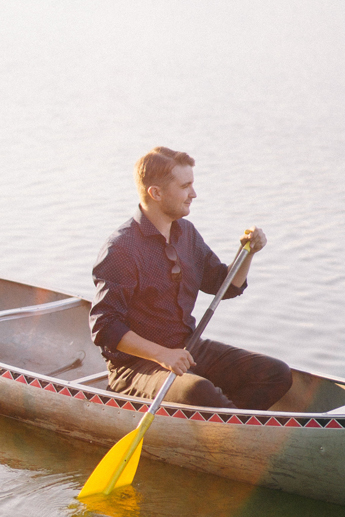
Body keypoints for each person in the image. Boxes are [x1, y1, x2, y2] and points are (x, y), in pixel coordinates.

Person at [90, 146, 292, 411]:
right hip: (135, 367)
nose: (193, 194)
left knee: (276, 373)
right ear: (156, 193)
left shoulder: (186, 233)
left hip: (187, 349)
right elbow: (105, 327)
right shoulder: (121, 249)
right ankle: (225, 425)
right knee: (199, 390)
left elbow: (223, 286)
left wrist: (248, 253)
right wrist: (163, 355)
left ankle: (225, 425)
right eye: (185, 186)